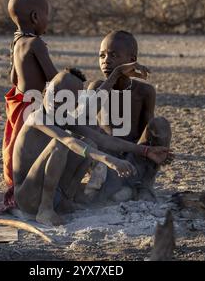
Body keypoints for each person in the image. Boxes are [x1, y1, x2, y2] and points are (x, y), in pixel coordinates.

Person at [12, 68, 171, 226]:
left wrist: (146, 150)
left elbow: (104, 140)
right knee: (61, 144)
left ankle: (66, 199)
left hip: (56, 195)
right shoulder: (36, 116)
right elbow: (67, 140)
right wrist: (109, 160)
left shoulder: (64, 118)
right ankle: (45, 209)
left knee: (90, 142)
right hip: (28, 197)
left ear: (73, 104)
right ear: (45, 90)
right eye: (55, 92)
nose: (57, 100)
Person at [86, 30, 172, 202]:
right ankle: (116, 187)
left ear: (131, 61)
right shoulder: (97, 87)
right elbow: (85, 120)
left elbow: (147, 131)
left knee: (160, 124)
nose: (106, 61)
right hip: (107, 158)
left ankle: (144, 185)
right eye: (101, 55)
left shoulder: (144, 91)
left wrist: (158, 149)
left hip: (135, 156)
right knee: (91, 137)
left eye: (114, 55)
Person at [2, 0, 59, 208]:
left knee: (15, 141)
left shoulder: (16, 42)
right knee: (31, 144)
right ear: (36, 17)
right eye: (47, 15)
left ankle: (14, 179)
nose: (48, 21)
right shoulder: (36, 44)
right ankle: (27, 182)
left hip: (19, 99)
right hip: (32, 103)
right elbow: (52, 77)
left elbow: (13, 76)